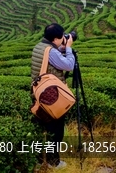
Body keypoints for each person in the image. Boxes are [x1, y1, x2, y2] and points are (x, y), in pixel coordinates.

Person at [31, 23, 75, 170]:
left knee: (39, 129)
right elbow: (69, 65)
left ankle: (36, 161)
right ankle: (53, 162)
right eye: (62, 36)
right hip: (52, 98)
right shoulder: (52, 51)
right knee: (55, 131)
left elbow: (49, 57)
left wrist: (61, 48)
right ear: (56, 38)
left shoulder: (39, 46)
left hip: (38, 95)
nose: (64, 38)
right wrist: (68, 48)